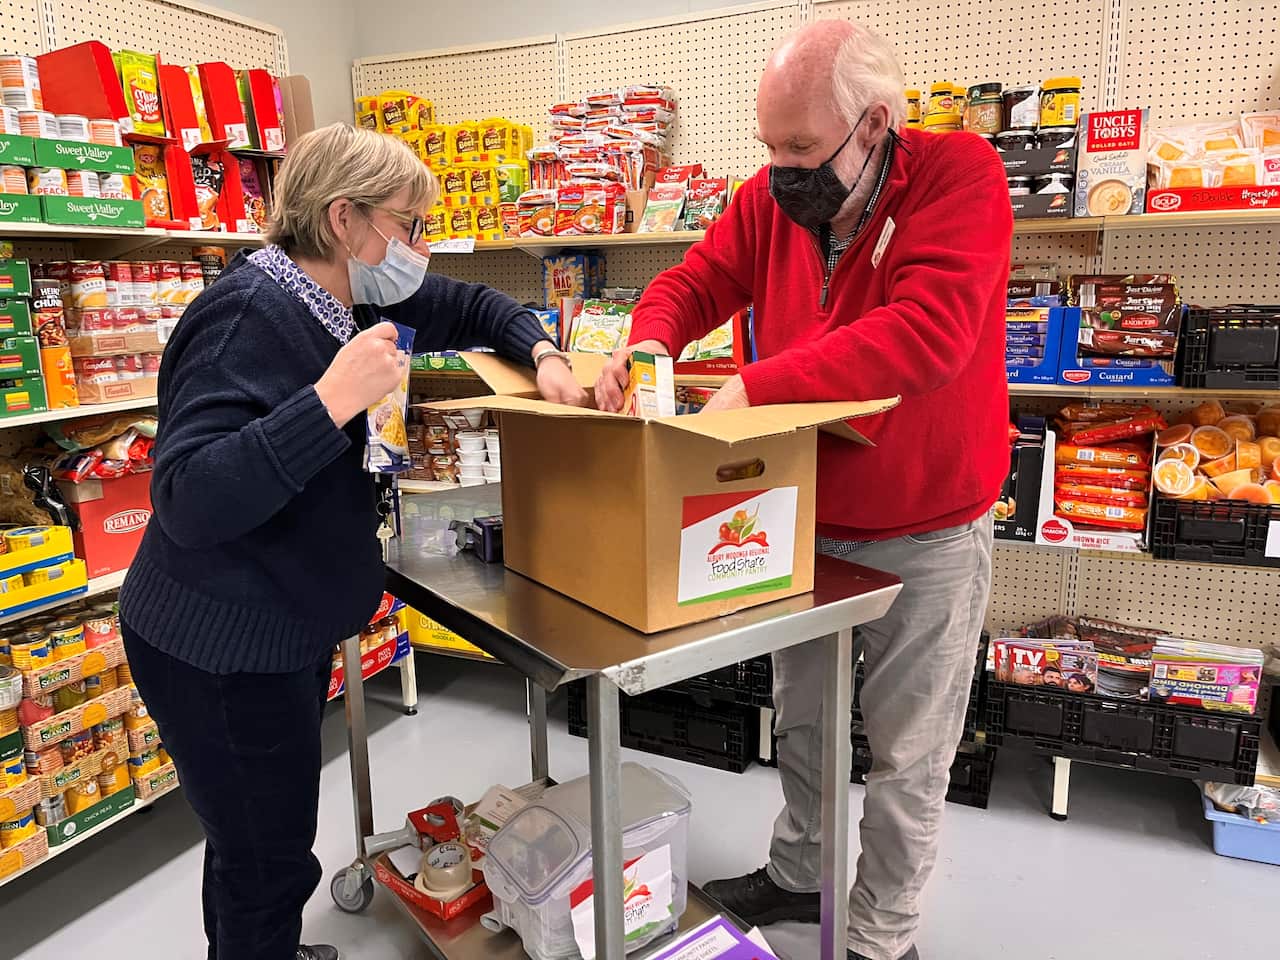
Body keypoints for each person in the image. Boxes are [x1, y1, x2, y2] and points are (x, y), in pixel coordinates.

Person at [595, 21, 1012, 960]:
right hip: (808, 520)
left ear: (873, 125)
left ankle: (881, 933)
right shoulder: (769, 198)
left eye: (799, 148)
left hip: (930, 527)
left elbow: (929, 332)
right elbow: (698, 279)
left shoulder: (962, 177)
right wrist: (654, 337)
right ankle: (798, 873)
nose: (780, 169)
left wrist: (765, 384)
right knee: (807, 725)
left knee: (908, 755)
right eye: (768, 146)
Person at [119, 123, 585, 960]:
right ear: (345, 219)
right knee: (266, 860)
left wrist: (543, 350)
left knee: (252, 840)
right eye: (408, 224)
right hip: (218, 647)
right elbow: (187, 498)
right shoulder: (245, 316)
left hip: (277, 627)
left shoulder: (352, 293)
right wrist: (327, 402)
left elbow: (471, 304)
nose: (420, 246)